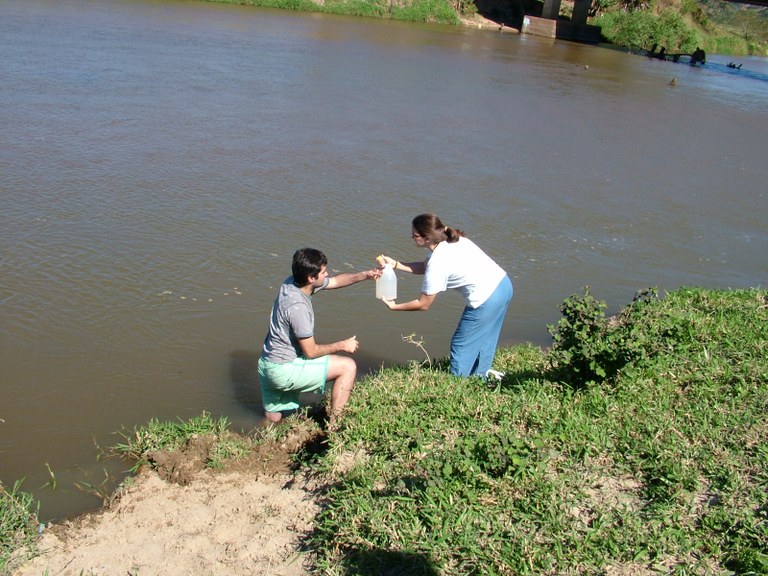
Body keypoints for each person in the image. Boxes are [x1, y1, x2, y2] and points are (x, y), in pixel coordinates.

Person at [377, 213, 513, 379]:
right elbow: (423, 267)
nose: (412, 237)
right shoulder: (452, 240)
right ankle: (481, 376)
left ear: (427, 238)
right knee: (485, 337)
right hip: (503, 285)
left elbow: (423, 304)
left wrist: (394, 306)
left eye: (414, 235)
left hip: (487, 299)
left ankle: (458, 388)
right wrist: (397, 264)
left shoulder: (438, 263)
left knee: (461, 344)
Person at [258, 248, 381, 425]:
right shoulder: (298, 308)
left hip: (267, 364)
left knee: (273, 419)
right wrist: (342, 345)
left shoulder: (290, 283)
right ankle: (335, 426)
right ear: (311, 278)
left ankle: (258, 443)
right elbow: (311, 351)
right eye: (324, 272)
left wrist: (365, 275)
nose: (327, 274)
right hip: (284, 370)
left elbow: (336, 281)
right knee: (347, 366)